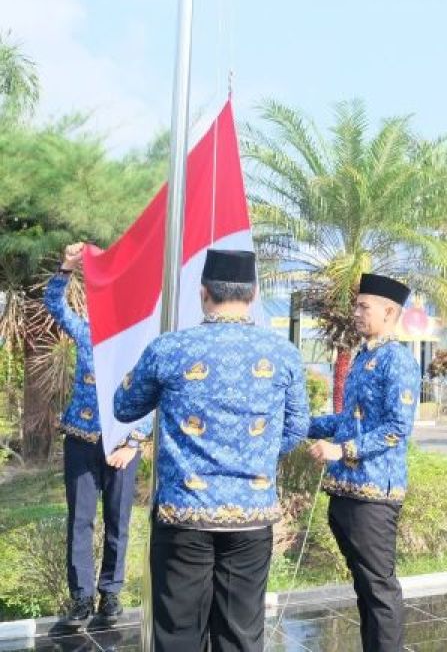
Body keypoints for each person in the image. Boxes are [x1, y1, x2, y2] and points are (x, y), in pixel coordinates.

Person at [114, 250, 309, 651]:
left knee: (178, 635)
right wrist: (255, 462)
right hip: (252, 516)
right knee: (240, 635)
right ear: (253, 294)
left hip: (185, 514)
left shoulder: (169, 348)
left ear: (203, 293)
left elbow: (124, 406)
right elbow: (297, 428)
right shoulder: (283, 353)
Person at [307, 273, 420, 651]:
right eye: (356, 305)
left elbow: (397, 427)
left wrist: (343, 451)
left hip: (373, 493)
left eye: (363, 306)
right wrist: (302, 424)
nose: (355, 312)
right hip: (347, 492)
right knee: (365, 587)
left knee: (379, 589)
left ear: (389, 312)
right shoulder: (363, 356)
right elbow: (346, 420)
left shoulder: (397, 359)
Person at [46, 243, 151, 627]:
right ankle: (81, 597)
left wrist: (134, 442)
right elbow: (55, 306)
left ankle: (110, 593)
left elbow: (152, 396)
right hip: (81, 441)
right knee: (80, 520)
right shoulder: (86, 330)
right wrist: (67, 267)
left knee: (118, 520)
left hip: (123, 446)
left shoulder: (142, 340)